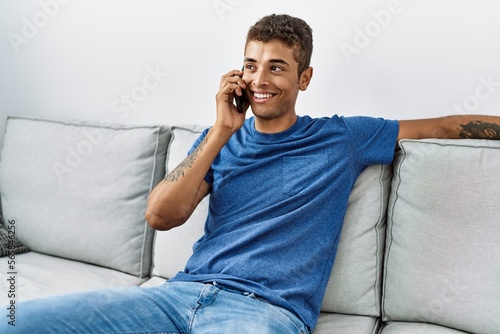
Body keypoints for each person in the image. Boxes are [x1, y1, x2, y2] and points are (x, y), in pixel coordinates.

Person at [6, 14, 500, 334]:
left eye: (277, 68)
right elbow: (159, 215)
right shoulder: (220, 139)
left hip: (263, 313)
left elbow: (447, 125)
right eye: (251, 64)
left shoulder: (343, 137)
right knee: (19, 321)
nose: (260, 79)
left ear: (304, 78)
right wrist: (222, 130)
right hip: (178, 296)